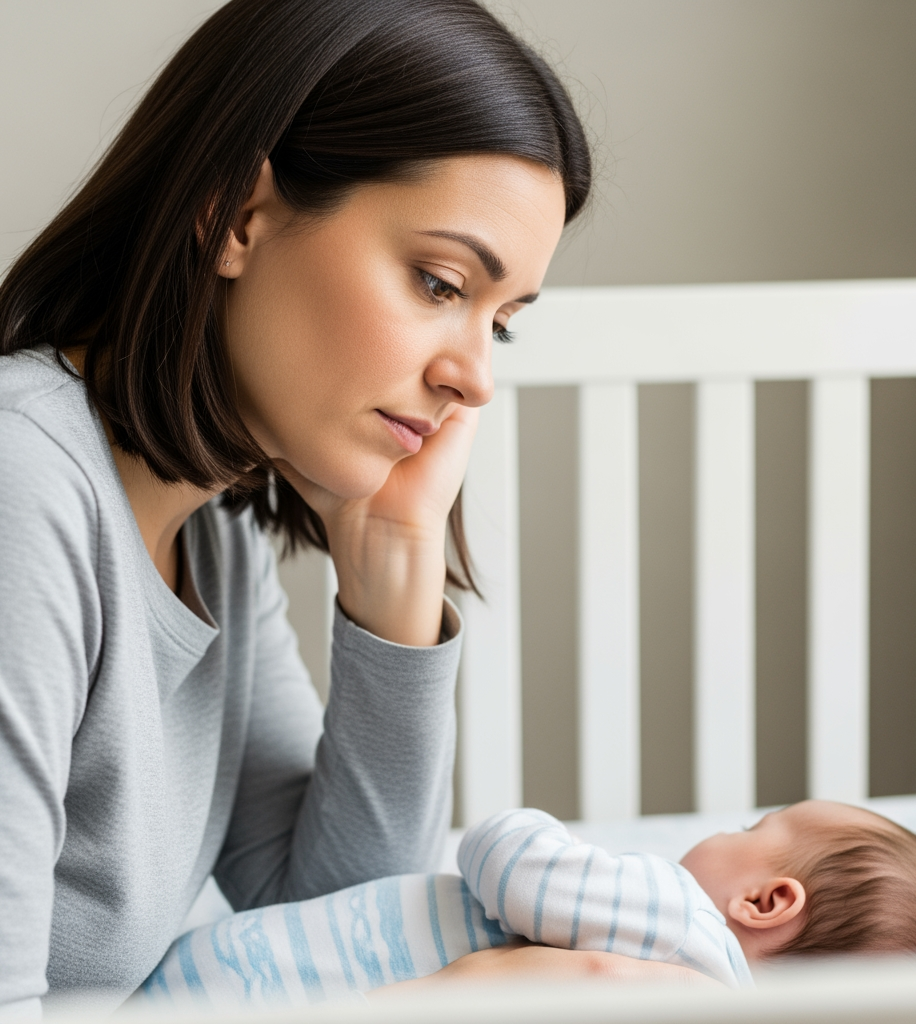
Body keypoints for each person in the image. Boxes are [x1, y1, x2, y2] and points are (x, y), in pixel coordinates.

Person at [0, 0, 705, 1014]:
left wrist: (394, 579)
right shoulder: (28, 492)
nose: (473, 378)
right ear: (237, 215)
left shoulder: (210, 530)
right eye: (437, 281)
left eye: (498, 323)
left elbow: (335, 920)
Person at [139, 800, 916, 1007]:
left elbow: (506, 860)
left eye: (751, 825)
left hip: (247, 984)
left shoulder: (674, 912)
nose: (726, 832)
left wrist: (520, 826)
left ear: (766, 900)